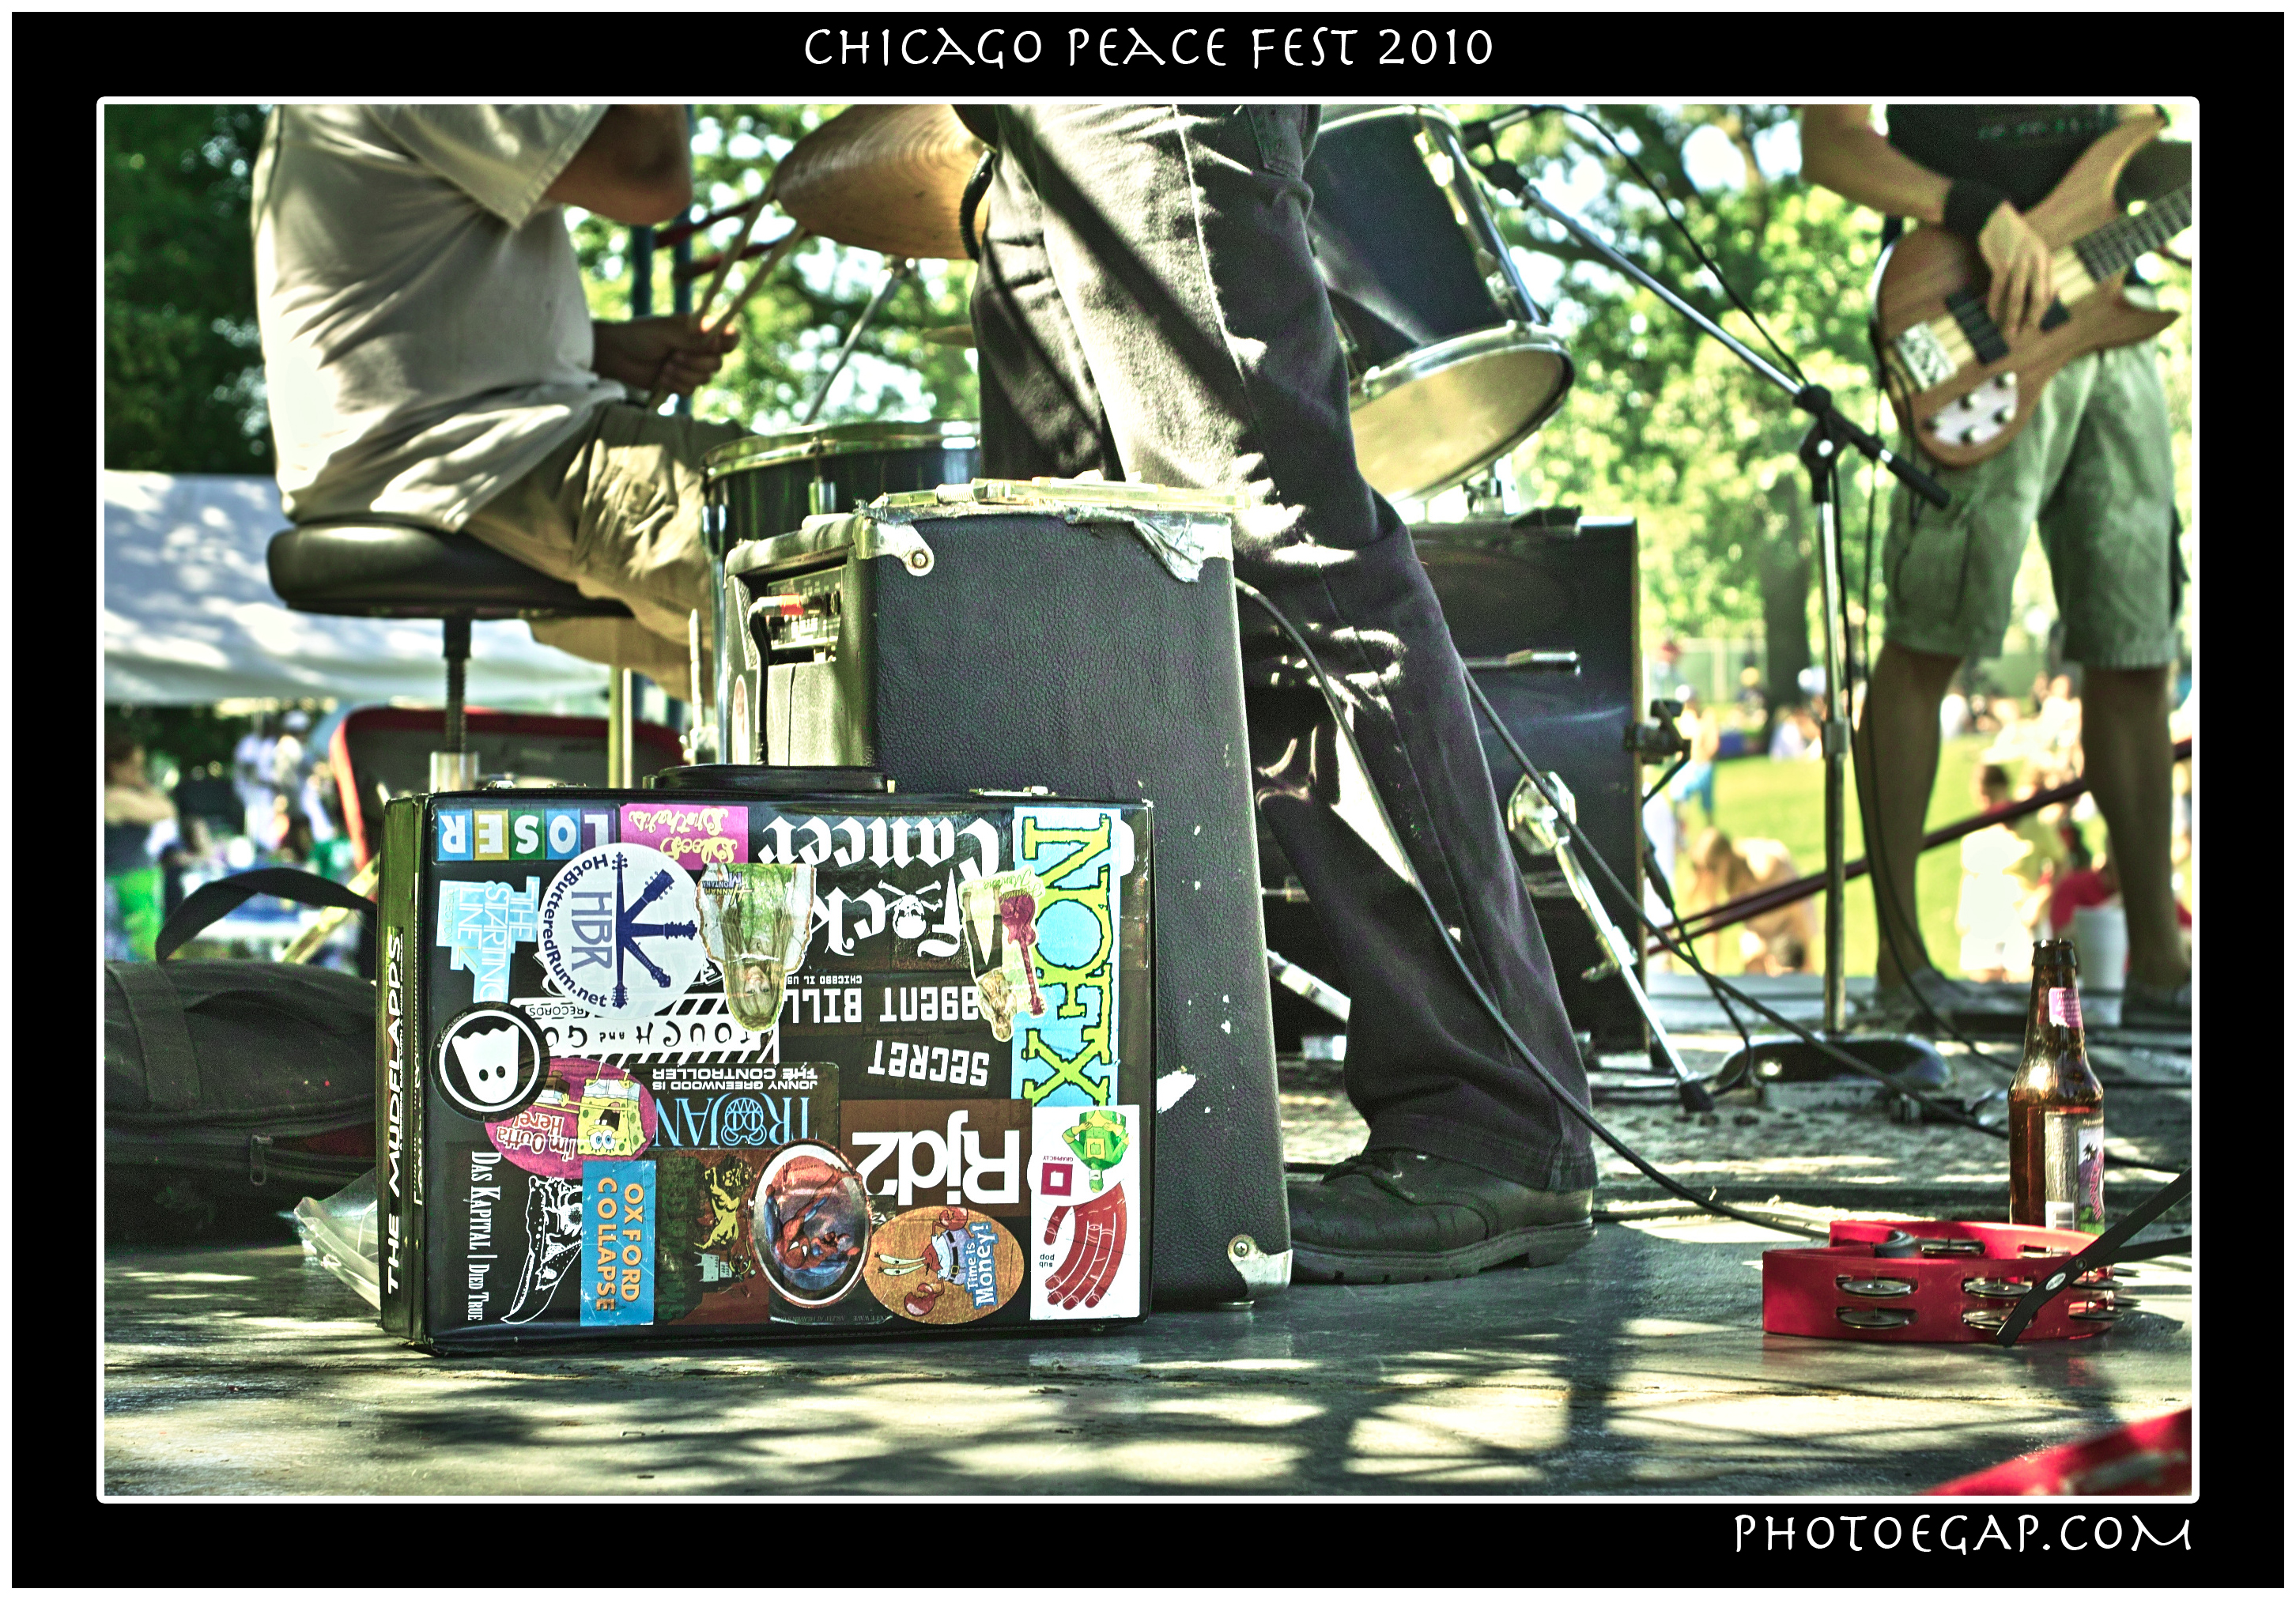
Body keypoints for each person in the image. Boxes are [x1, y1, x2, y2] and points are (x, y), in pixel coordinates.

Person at [962, 104, 1595, 1282]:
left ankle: (1496, 1116)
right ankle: (1128, 1125)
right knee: (1073, 573)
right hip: (1020, 125)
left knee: (1280, 543)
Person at [1800, 104, 2191, 1031]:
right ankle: (1903, 968)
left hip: (2113, 321)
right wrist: (1978, 212)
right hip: (1972, 323)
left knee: (2138, 647)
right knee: (1927, 641)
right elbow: (1827, 142)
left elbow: (2136, 142)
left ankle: (2163, 967)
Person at [254, 105, 742, 702]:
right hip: (486, 459)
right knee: (816, 540)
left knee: (771, 679)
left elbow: (398, 319)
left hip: (426, 464)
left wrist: (601, 350)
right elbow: (649, 174)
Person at [1684, 828, 1817, 975]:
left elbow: (1796, 906)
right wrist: (1710, 973)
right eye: (1701, 869)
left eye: (1712, 868)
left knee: (1790, 971)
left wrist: (1807, 956)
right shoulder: (1722, 874)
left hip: (1787, 919)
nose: (1708, 876)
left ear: (1725, 857)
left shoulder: (1762, 867)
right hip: (1758, 923)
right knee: (1754, 967)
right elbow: (1713, 922)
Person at [106, 734, 177, 961]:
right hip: (127, 882)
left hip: (130, 881)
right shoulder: (114, 797)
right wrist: (144, 784)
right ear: (115, 767)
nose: (139, 772)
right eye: (134, 767)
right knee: (143, 952)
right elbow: (165, 810)